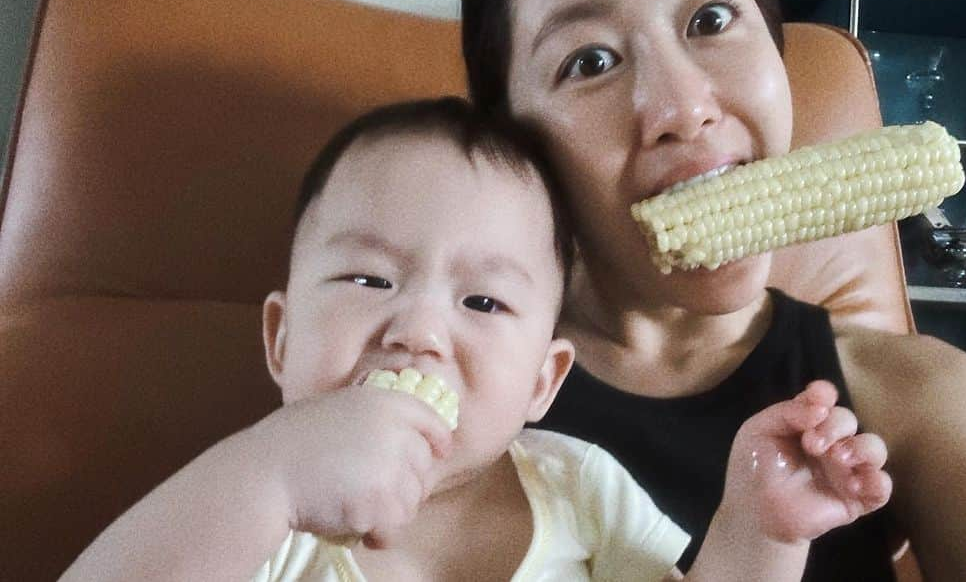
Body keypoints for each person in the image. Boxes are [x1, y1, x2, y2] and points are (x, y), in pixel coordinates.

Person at [59, 98, 892, 582]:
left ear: (543, 379)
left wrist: (762, 534)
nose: (417, 330)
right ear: (280, 338)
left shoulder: (580, 490)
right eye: (367, 280)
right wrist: (269, 472)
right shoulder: (249, 512)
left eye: (485, 300)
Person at [459, 0, 966, 580]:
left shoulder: (922, 395)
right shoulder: (448, 391)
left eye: (711, 20)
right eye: (590, 62)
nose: (685, 107)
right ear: (513, 141)